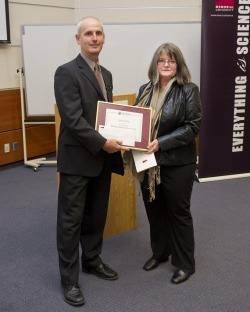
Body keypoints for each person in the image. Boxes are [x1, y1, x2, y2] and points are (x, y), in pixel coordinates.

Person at [54, 16, 129, 307]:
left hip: (101, 159)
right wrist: (103, 142)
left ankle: (92, 260)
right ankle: (69, 280)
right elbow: (72, 120)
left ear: (103, 38)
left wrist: (117, 138)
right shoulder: (66, 72)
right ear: (78, 39)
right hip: (77, 159)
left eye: (98, 33)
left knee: (96, 215)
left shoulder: (105, 73)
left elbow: (104, 115)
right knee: (70, 221)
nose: (94, 38)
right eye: (88, 34)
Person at [132, 43, 201, 284]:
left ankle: (185, 263)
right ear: (155, 64)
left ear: (178, 64)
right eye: (162, 60)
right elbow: (136, 121)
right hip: (148, 162)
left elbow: (193, 127)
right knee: (154, 210)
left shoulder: (189, 90)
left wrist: (161, 142)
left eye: (171, 60)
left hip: (177, 162)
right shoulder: (144, 89)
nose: (166, 64)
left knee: (178, 212)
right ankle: (160, 253)